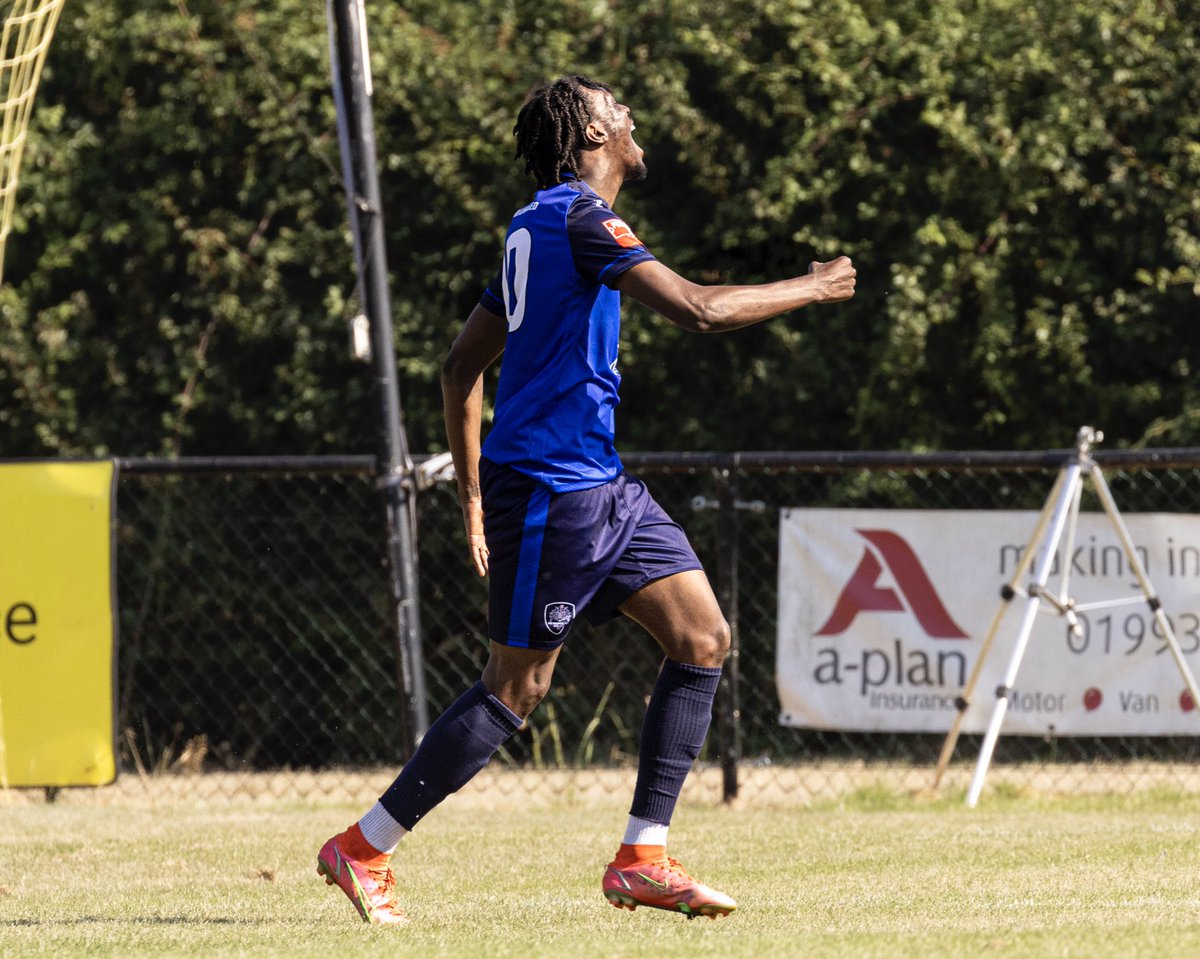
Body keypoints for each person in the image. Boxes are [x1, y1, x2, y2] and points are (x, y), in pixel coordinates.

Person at [317, 74, 857, 926]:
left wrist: (466, 498)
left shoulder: (535, 224)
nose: (631, 115)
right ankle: (364, 844)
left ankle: (644, 855)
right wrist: (815, 287)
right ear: (591, 135)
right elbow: (700, 310)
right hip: (547, 489)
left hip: (600, 485)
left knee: (703, 635)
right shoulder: (576, 218)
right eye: (618, 110)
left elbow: (462, 366)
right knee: (516, 689)